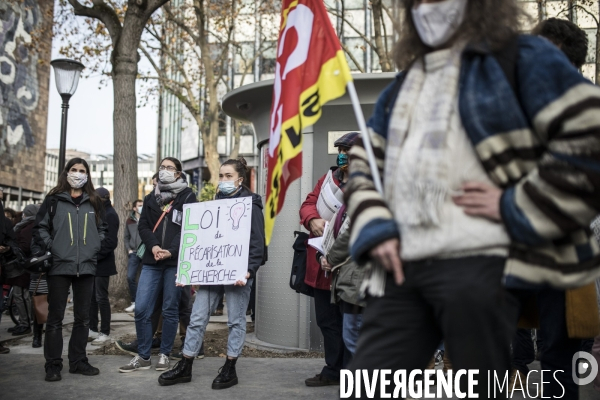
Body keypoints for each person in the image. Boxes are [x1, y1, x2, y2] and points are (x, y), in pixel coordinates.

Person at [345, 0, 600, 397]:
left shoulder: (523, 57)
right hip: (400, 268)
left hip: (481, 262)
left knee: (476, 388)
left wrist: (517, 205)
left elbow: (589, 132)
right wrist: (375, 224)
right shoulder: (408, 80)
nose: (428, 8)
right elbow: (364, 159)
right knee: (370, 385)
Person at [157, 157, 266, 389]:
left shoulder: (251, 204)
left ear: (240, 179)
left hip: (238, 273)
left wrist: (249, 269)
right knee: (196, 319)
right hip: (212, 273)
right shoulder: (214, 203)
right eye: (221, 176)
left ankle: (230, 367)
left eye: (229, 176)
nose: (224, 180)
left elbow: (257, 242)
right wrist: (188, 271)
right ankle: (186, 364)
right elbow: (202, 242)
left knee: (236, 322)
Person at [119, 157, 197, 374]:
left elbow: (189, 228)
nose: (164, 171)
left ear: (179, 174)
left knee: (170, 309)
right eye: (162, 167)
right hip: (152, 262)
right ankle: (143, 356)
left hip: (174, 262)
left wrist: (171, 250)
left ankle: (164, 354)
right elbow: (143, 226)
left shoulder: (188, 197)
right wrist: (153, 247)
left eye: (169, 168)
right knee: (142, 308)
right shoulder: (151, 198)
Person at [33, 157, 106, 382]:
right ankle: (53, 364)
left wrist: (95, 246)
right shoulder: (54, 199)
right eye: (74, 169)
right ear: (66, 172)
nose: (77, 173)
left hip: (86, 267)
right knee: (55, 318)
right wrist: (53, 247)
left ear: (87, 175)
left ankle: (78, 361)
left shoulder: (94, 201)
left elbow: (102, 228)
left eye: (82, 170)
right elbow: (40, 227)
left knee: (83, 319)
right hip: (59, 266)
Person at [299, 132, 358, 387]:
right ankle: (333, 369)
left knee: (350, 324)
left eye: (348, 150)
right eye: (341, 149)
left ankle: (350, 373)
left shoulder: (369, 184)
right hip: (321, 267)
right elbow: (307, 204)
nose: (343, 154)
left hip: (347, 269)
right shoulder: (327, 180)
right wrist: (311, 219)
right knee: (327, 321)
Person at [319, 204, 365, 357]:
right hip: (353, 279)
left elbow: (349, 235)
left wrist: (330, 258)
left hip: (358, 281)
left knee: (354, 338)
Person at [88, 187, 119, 345]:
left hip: (102, 262)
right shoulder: (99, 213)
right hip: (94, 261)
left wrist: (96, 256)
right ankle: (92, 329)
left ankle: (104, 331)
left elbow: (111, 242)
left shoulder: (110, 215)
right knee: (92, 297)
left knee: (101, 298)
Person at [7, 204, 40, 337]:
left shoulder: (28, 227)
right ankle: (24, 322)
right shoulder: (30, 225)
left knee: (21, 295)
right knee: (21, 295)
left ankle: (25, 323)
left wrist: (12, 249)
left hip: (22, 267)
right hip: (23, 266)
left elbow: (25, 246)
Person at [124, 199, 143, 313]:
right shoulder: (129, 221)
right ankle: (134, 302)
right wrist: (129, 249)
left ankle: (142, 303)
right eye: (140, 206)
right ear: (135, 208)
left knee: (143, 279)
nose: (142, 208)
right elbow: (126, 237)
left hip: (145, 253)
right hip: (134, 253)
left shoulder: (147, 219)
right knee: (130, 277)